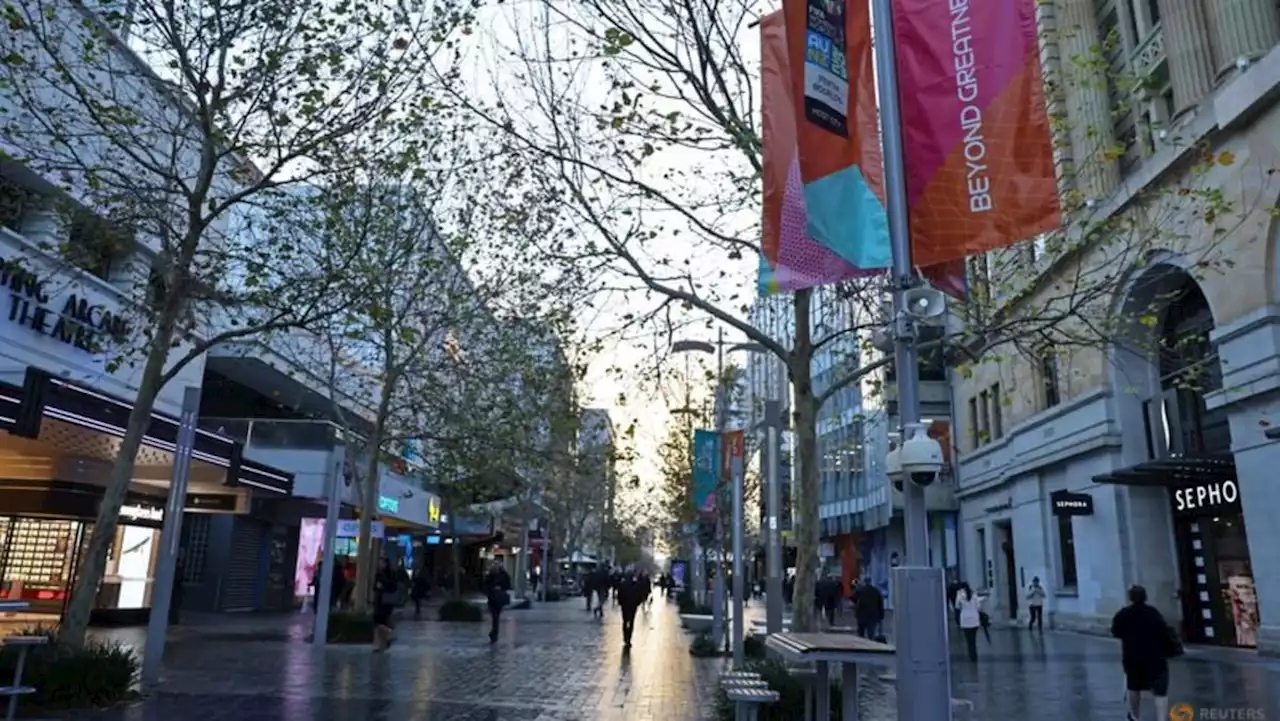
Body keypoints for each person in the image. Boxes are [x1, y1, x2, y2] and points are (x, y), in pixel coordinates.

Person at [1111, 585, 1178, 721]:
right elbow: (1164, 632)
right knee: (1160, 691)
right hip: (1155, 657)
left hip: (1133, 657)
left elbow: (1115, 631)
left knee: (1134, 687)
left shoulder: (1124, 614)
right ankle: (1161, 718)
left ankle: (1135, 716)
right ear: (1145, 597)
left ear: (1130, 598)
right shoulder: (1153, 613)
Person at [372, 557, 399, 652]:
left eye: (381, 562)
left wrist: (381, 587)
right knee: (381, 622)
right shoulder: (388, 575)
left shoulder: (383, 575)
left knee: (378, 622)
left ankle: (388, 636)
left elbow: (377, 587)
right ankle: (382, 644)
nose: (380, 564)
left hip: (382, 602)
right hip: (385, 601)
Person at [483, 560, 512, 643]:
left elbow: (507, 585)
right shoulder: (490, 575)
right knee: (495, 616)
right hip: (492, 598)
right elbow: (485, 585)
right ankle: (494, 632)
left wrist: (500, 588)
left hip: (499, 598)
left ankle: (494, 632)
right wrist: (490, 590)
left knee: (496, 616)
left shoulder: (504, 575)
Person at [617, 567, 645, 649]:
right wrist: (637, 603)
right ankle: (629, 638)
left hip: (625, 605)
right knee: (631, 621)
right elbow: (639, 595)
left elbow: (619, 595)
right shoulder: (636, 584)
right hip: (633, 605)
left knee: (625, 621)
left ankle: (625, 637)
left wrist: (621, 603)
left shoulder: (623, 584)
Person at [955, 585, 984, 662]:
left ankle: (971, 655)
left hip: (965, 620)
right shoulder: (974, 594)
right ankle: (974, 655)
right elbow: (978, 606)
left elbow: (957, 606)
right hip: (974, 619)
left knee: (968, 639)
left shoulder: (960, 594)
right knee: (973, 639)